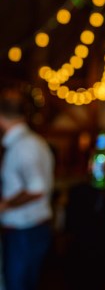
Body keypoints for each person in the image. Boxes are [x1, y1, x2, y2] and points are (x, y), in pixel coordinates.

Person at [0, 88, 54, 290]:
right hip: (31, 230)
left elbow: (36, 189)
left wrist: (5, 205)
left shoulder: (24, 146)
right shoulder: (32, 141)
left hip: (25, 232)